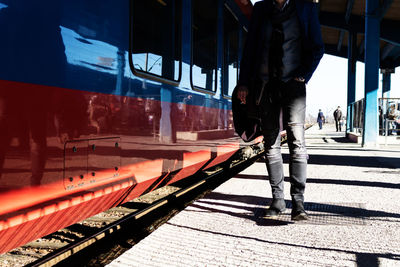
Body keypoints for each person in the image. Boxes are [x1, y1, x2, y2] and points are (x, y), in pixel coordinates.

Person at [236, 0, 324, 220]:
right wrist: (244, 82)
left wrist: (303, 75)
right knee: (271, 142)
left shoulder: (306, 8)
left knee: (297, 141)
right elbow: (250, 48)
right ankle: (277, 201)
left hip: (293, 86)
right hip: (265, 86)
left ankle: (298, 204)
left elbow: (317, 47)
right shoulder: (261, 10)